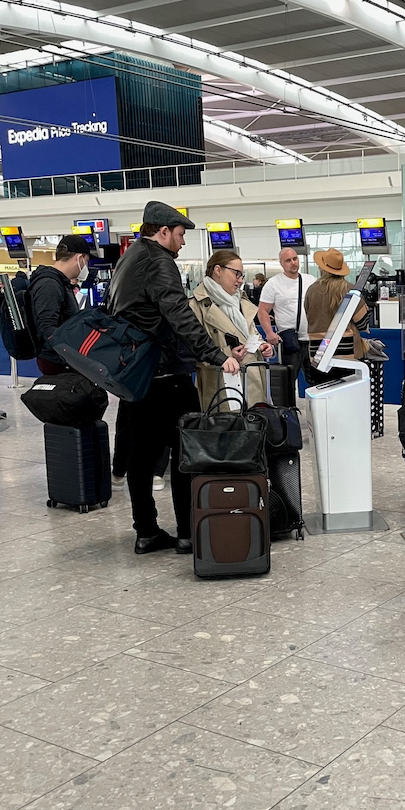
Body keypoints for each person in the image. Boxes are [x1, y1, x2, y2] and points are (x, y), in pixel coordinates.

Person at [106, 200, 239, 556]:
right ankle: (186, 533)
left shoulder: (128, 259)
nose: (182, 243)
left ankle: (146, 531)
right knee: (187, 453)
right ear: (162, 231)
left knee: (140, 455)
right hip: (167, 375)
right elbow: (178, 314)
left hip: (136, 373)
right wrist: (215, 354)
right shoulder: (158, 261)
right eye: (180, 235)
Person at [189, 249, 273, 410]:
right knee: (228, 430)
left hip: (252, 379)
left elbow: (251, 333)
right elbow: (193, 350)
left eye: (242, 275)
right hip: (222, 386)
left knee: (255, 427)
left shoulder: (240, 301)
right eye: (236, 274)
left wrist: (262, 345)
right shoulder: (196, 306)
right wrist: (224, 357)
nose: (240, 280)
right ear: (218, 270)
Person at [28, 235, 91, 376]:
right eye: (86, 261)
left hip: (63, 359)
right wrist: (71, 353)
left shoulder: (60, 282)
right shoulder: (49, 284)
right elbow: (48, 327)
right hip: (58, 362)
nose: (85, 267)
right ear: (79, 258)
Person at [257, 248, 316, 399]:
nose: (293, 263)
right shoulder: (273, 284)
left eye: (295, 259)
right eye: (288, 260)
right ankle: (288, 418)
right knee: (287, 383)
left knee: (316, 382)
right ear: (281, 263)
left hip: (313, 340)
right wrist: (269, 333)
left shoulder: (310, 280)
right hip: (289, 340)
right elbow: (263, 311)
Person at [305, 248, 370, 382]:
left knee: (322, 394)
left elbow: (308, 315)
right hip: (348, 354)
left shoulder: (311, 290)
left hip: (318, 353)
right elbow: (363, 323)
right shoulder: (350, 290)